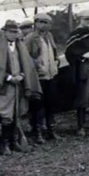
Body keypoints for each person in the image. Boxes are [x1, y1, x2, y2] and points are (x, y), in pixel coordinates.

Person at [0, 20, 42, 155]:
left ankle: (14, 141)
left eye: (16, 32)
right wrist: (10, 78)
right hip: (6, 87)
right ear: (4, 32)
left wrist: (22, 75)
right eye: (11, 32)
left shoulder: (20, 47)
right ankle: (4, 144)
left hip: (20, 86)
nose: (13, 35)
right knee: (7, 115)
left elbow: (27, 65)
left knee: (18, 113)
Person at [23, 13, 60, 142]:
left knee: (51, 104)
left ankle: (51, 130)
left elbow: (54, 53)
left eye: (46, 22)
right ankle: (37, 132)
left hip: (51, 75)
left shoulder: (49, 37)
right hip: (38, 78)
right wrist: (36, 64)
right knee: (37, 105)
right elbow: (24, 58)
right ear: (36, 23)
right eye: (41, 22)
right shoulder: (30, 38)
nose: (43, 25)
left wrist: (56, 63)